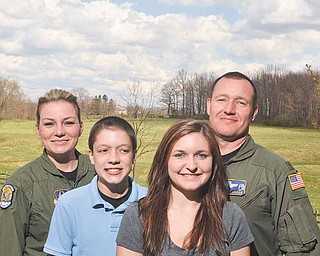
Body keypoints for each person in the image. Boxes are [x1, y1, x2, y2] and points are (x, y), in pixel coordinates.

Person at [206, 71, 320, 255]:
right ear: (209, 105)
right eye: (222, 100)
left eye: (241, 102)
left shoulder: (275, 170)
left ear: (254, 112)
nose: (229, 109)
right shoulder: (184, 166)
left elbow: (304, 250)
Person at [116, 119, 254, 256]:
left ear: (214, 162)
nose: (191, 166)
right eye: (180, 155)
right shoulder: (139, 216)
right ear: (164, 160)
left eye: (201, 155)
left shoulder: (230, 216)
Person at [0, 89, 96, 255]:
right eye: (49, 124)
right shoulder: (22, 184)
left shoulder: (99, 173)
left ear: (80, 127)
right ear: (38, 130)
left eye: (68, 123)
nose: (59, 132)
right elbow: (9, 250)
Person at [44, 116, 148, 256]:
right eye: (103, 151)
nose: (113, 159)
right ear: (91, 156)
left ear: (134, 156)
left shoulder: (152, 203)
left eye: (123, 150)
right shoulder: (69, 205)